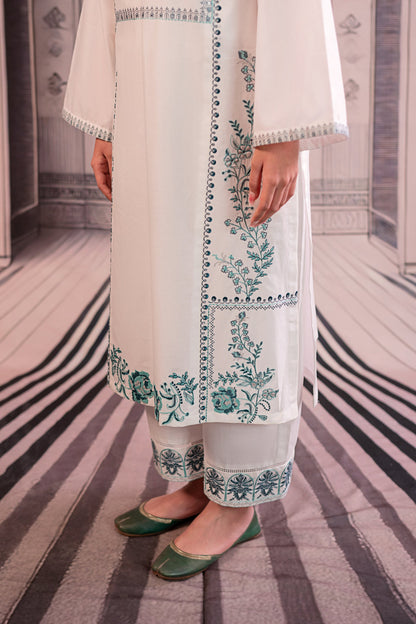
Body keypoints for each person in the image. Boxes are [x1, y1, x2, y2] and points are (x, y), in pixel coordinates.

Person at [62, 0, 348, 581]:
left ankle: (237, 500)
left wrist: (284, 132)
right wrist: (108, 119)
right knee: (165, 288)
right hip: (145, 96)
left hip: (237, 100)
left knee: (238, 289)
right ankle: (198, 480)